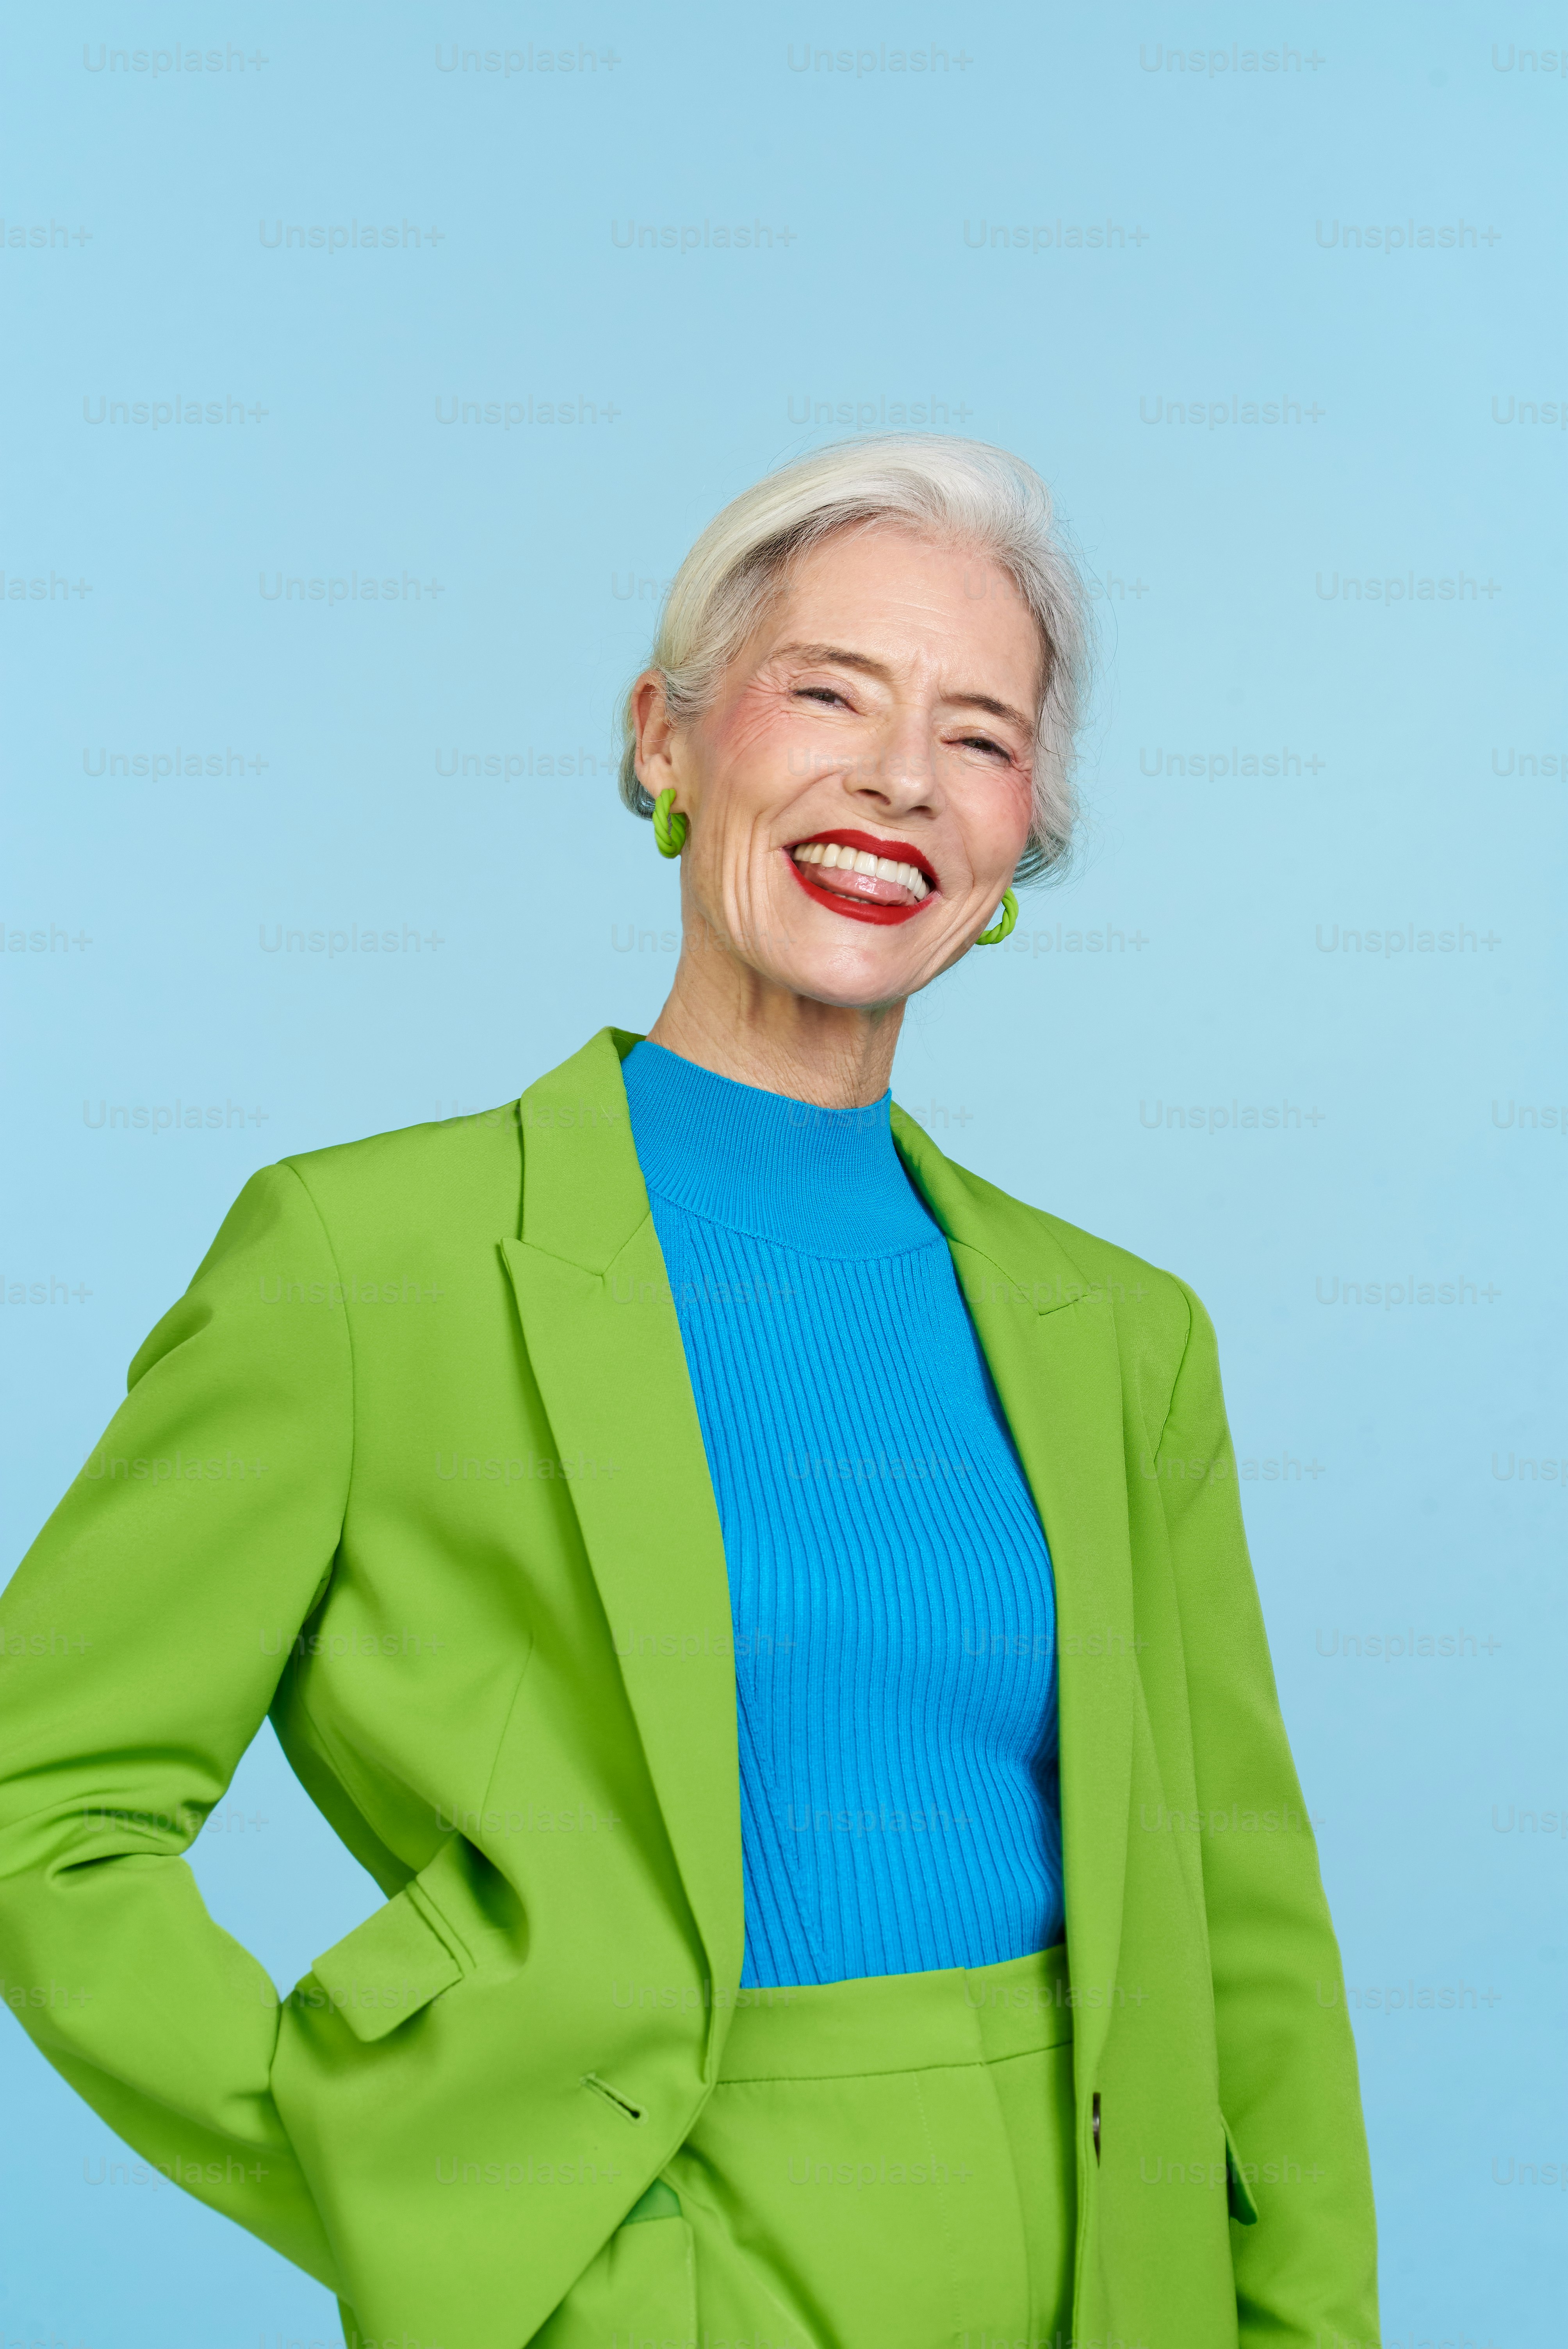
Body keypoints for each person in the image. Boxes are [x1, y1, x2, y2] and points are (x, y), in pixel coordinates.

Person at [0, 437, 1378, 2349]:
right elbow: (40, 1810)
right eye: (828, 691)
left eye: (976, 735)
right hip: (654, 2268)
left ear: (1012, 846)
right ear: (667, 737)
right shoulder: (362, 1261)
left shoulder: (1121, 1333)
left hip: (1109, 2277)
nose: (897, 775)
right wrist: (418, 2194)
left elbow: (1244, 1930)